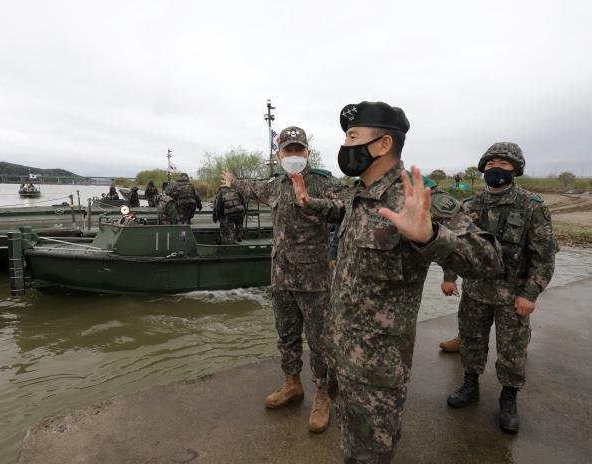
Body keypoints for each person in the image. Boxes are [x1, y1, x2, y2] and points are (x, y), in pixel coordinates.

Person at [290, 101, 503, 463]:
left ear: (383, 144)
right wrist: (309, 202)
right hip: (343, 354)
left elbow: (490, 260)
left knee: (370, 455)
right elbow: (340, 210)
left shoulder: (414, 197)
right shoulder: (359, 194)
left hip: (377, 369)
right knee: (351, 447)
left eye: (352, 136)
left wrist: (431, 235)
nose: (345, 145)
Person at [220, 126, 345, 433]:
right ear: (279, 155)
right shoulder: (274, 185)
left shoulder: (324, 182)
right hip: (281, 278)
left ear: (307, 153)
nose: (293, 156)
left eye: (298, 150)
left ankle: (322, 394)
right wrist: (233, 181)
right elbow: (252, 187)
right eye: (287, 151)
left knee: (320, 342)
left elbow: (344, 210)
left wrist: (310, 201)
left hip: (314, 280)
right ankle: (292, 383)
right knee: (286, 337)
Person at [445, 142, 557, 433]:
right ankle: (470, 386)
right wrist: (449, 276)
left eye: (504, 164)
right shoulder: (469, 206)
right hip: (475, 292)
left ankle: (508, 399)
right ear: (483, 167)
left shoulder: (532, 206)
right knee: (471, 340)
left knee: (512, 349)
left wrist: (530, 294)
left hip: (514, 295)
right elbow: (454, 247)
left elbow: (544, 257)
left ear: (516, 169)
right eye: (492, 163)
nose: (496, 169)